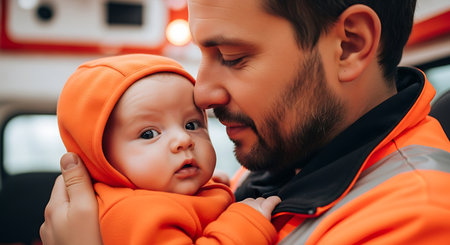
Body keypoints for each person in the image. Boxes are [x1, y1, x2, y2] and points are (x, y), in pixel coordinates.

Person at [41, 0, 450, 244]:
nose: (200, 94)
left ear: (349, 45)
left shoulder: (417, 219)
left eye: (233, 57)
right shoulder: (280, 159)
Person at [53, 53, 280, 244]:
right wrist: (244, 225)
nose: (183, 139)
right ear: (101, 159)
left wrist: (209, 189)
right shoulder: (132, 213)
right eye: (149, 134)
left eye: (191, 124)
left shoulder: (159, 195)